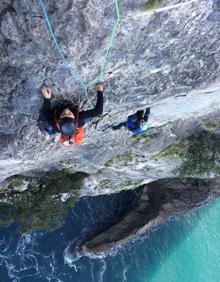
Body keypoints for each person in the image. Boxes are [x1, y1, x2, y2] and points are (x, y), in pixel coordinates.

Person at [38, 83, 104, 146]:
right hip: (70, 108)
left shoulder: (53, 123)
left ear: (59, 120)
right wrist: (99, 91)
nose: (66, 111)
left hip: (56, 110)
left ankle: (42, 126)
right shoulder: (80, 119)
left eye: (63, 114)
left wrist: (47, 98)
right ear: (74, 118)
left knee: (42, 118)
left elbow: (45, 112)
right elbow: (98, 111)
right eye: (69, 114)